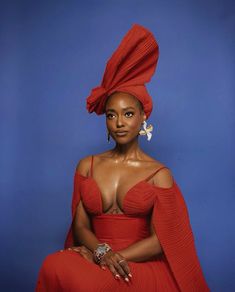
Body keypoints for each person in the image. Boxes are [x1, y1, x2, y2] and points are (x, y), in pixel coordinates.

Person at [36, 24, 210, 291]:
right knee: (52, 265)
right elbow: (81, 226)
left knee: (86, 284)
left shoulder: (159, 174)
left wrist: (113, 258)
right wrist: (102, 253)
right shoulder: (87, 165)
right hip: (99, 256)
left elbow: (162, 239)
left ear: (143, 117)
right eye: (111, 115)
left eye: (128, 114)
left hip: (136, 267)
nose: (119, 122)